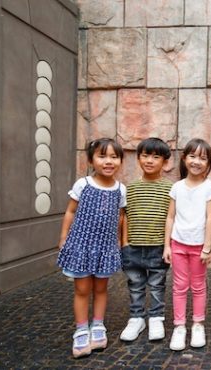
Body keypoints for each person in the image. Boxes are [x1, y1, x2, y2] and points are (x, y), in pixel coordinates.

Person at [57, 138, 126, 358]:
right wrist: (64, 237)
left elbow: (121, 216)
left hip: (105, 247)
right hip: (82, 244)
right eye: (102, 156)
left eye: (114, 157)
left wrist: (120, 241)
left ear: (120, 161)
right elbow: (70, 211)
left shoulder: (120, 189)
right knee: (82, 289)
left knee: (101, 288)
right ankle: (80, 329)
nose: (108, 161)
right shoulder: (83, 184)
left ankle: (98, 325)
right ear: (91, 160)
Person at [163, 138, 211, 351]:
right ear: (184, 158)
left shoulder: (209, 187)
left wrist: (207, 247)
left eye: (203, 158)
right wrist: (167, 245)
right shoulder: (177, 187)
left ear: (208, 163)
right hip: (178, 244)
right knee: (179, 286)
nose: (197, 162)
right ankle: (179, 327)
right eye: (192, 156)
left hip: (198, 247)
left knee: (198, 286)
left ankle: (197, 324)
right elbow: (170, 217)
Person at [119, 138, 172, 342]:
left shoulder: (170, 188)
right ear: (138, 158)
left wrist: (168, 246)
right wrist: (124, 243)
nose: (149, 160)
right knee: (135, 284)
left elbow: (172, 218)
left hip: (158, 246)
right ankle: (136, 318)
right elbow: (125, 217)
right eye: (145, 155)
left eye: (156, 157)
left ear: (165, 161)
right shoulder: (130, 188)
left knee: (158, 284)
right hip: (132, 246)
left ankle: (157, 317)